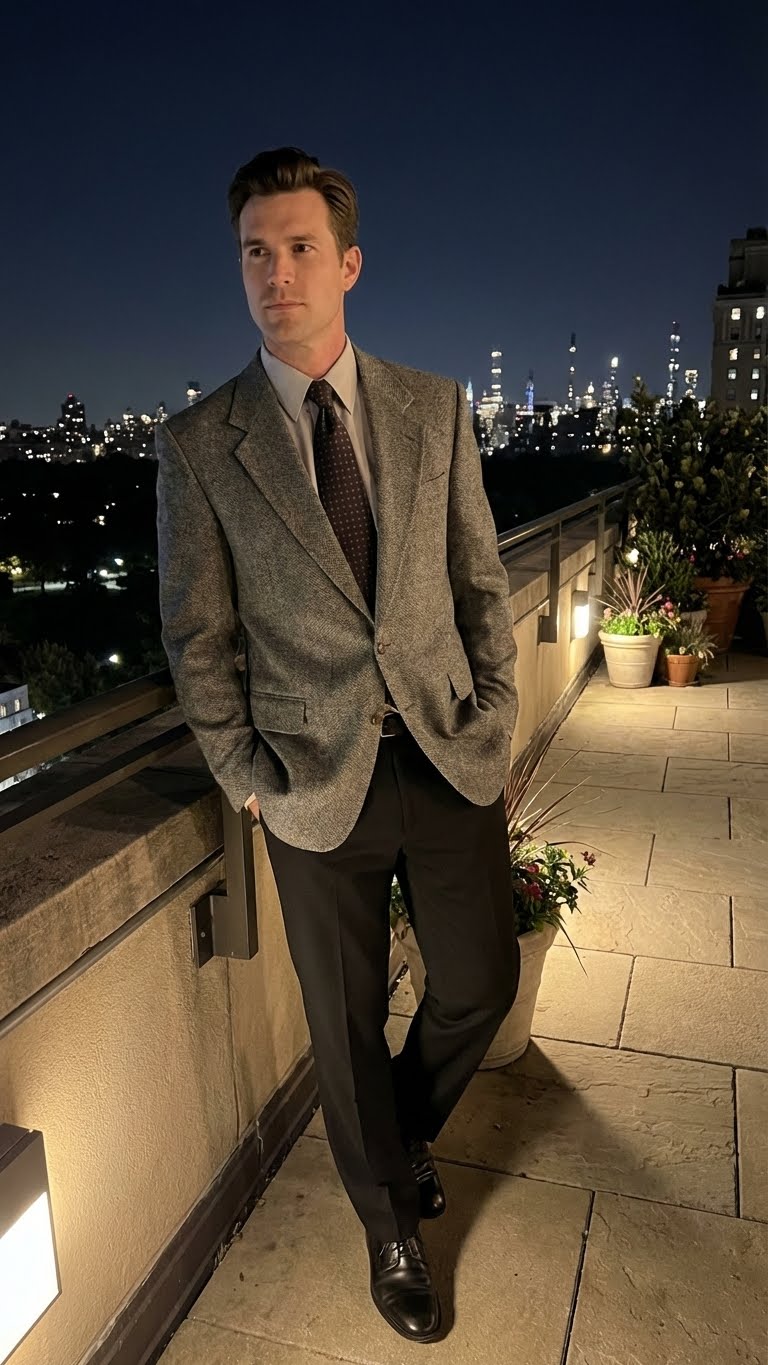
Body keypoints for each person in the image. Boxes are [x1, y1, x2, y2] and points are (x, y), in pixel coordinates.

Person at [155, 146, 520, 1345]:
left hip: (445, 750)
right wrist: (245, 782)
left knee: (480, 983)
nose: (277, 274)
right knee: (344, 1022)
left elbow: (478, 579)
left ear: (349, 263)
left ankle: (395, 1139)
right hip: (310, 784)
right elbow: (198, 637)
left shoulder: (433, 407)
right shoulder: (200, 445)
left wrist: (494, 709)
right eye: (255, 252)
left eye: (300, 247)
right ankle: (390, 1228)